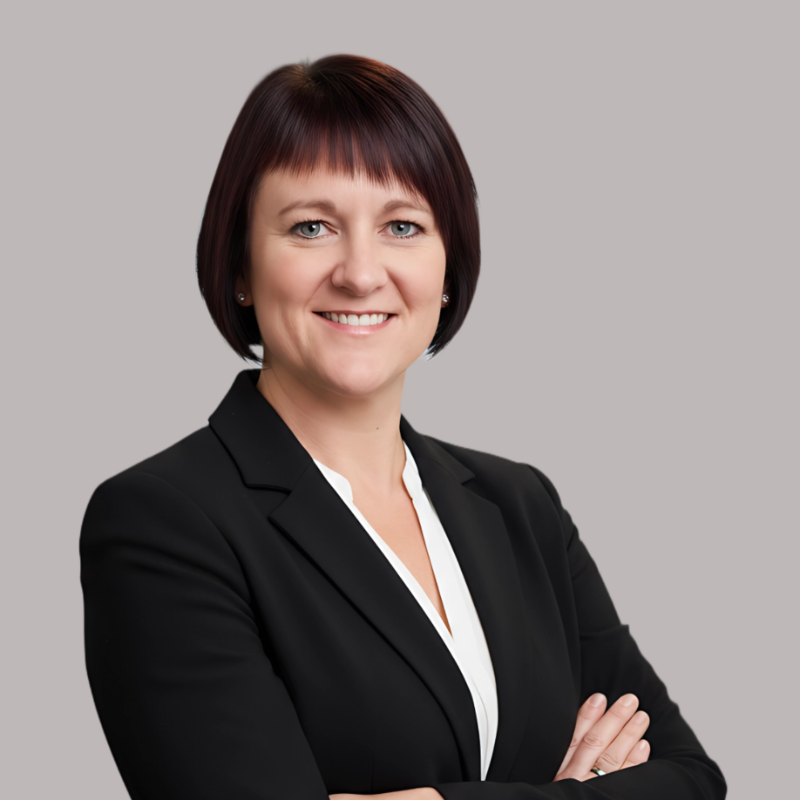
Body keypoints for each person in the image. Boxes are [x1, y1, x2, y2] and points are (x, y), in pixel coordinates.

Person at [79, 54, 726, 800]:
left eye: (403, 225)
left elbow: (691, 782)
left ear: (446, 272)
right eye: (312, 226)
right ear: (240, 268)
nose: (360, 272)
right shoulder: (165, 520)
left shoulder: (520, 506)